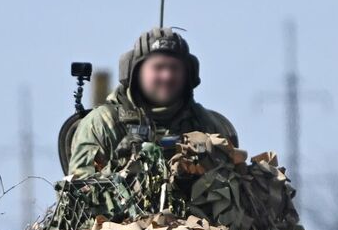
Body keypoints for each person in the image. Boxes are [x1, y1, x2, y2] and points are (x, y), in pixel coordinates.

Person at [67, 27, 238, 174]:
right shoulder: (103, 124)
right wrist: (120, 171)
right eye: (158, 67)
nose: (167, 76)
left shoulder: (209, 126)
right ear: (137, 73)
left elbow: (236, 185)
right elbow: (79, 190)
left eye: (174, 68)